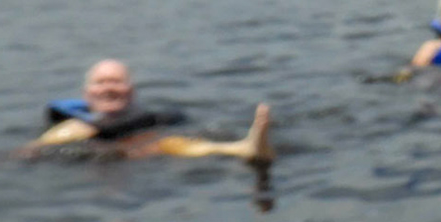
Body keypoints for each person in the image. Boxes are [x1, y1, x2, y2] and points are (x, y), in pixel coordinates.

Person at [30, 59, 273, 163]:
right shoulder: (76, 125)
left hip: (147, 151)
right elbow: (35, 152)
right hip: (98, 159)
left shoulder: (152, 118)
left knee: (171, 143)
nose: (108, 88)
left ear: (131, 91)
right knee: (72, 131)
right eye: (101, 82)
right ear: (87, 94)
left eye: (116, 81)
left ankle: (247, 147)